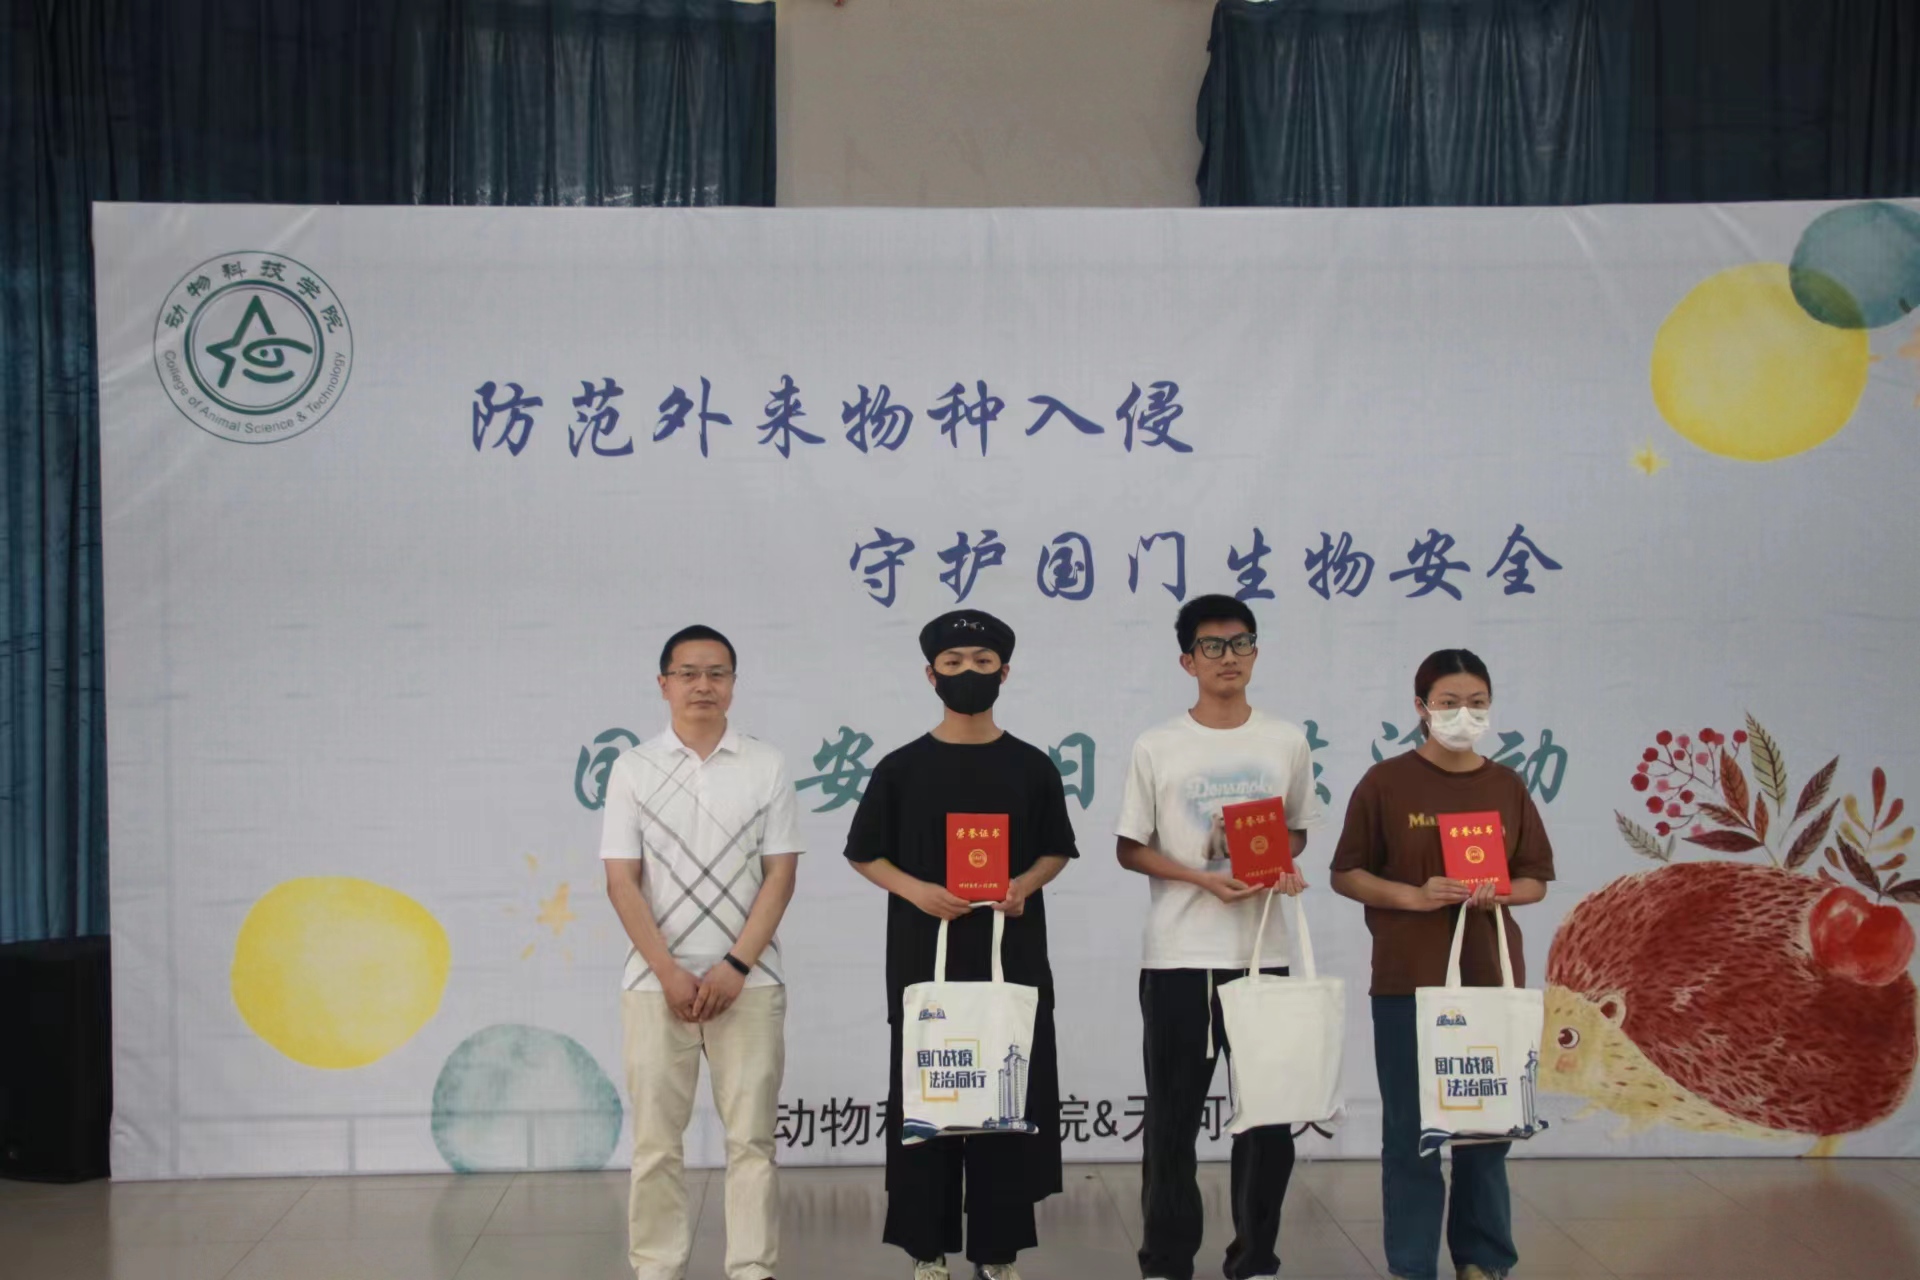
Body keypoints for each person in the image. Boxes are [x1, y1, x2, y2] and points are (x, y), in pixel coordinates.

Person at [843, 609, 1079, 1280]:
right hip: (926, 956)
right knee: (932, 1095)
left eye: (981, 663)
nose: (967, 673)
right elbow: (864, 853)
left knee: (1005, 1095)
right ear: (930, 675)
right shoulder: (901, 768)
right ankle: (928, 1248)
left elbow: (1057, 849)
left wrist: (1024, 883)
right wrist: (916, 891)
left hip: (1010, 955)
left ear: (1004, 673)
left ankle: (998, 1253)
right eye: (953, 664)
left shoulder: (1031, 766)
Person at [1114, 593, 1324, 1280]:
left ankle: (1255, 1258)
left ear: (1255, 653)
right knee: (1172, 1122)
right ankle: (1166, 1261)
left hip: (1263, 953)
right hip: (1179, 956)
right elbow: (1129, 848)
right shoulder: (1157, 744)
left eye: (1240, 643)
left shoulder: (1286, 740)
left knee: (1268, 1119)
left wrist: (1277, 863)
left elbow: (1296, 830)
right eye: (1212, 646)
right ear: (1188, 661)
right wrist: (1201, 878)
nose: (1228, 657)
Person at [1329, 649, 1555, 1280]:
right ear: (1421, 707)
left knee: (1488, 1129)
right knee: (1412, 1134)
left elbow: (1536, 879)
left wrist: (1498, 891)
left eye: (1477, 703)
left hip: (1490, 980)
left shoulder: (1506, 785)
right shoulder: (1385, 783)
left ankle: (1483, 1260)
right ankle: (1412, 1266)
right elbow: (1346, 873)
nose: (1464, 715)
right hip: (1408, 979)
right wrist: (1414, 896)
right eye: (1449, 703)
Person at [601, 624, 804, 1280]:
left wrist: (736, 966)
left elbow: (780, 875)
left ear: (734, 684)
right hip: (653, 984)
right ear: (663, 684)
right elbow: (620, 880)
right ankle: (656, 1267)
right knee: (656, 1144)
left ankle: (752, 1268)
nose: (703, 685)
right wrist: (667, 972)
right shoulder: (633, 768)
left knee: (752, 1141)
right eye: (687, 673)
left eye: (717, 673)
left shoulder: (766, 765)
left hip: (752, 980)